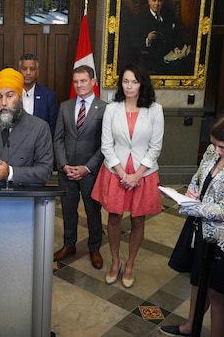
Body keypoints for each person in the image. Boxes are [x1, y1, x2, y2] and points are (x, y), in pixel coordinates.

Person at [160, 111, 224, 337]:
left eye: (223, 147)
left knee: (217, 293)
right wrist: (191, 191)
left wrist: (189, 205)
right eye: (214, 144)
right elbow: (199, 176)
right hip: (200, 228)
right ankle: (190, 327)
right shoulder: (212, 150)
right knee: (197, 281)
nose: (216, 151)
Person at [91, 63, 164, 288]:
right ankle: (115, 262)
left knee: (138, 219)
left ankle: (130, 264)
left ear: (142, 83)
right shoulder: (112, 109)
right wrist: (122, 173)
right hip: (116, 172)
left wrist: (137, 175)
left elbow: (155, 146)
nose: (129, 86)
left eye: (134, 81)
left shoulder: (155, 109)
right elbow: (106, 145)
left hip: (144, 173)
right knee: (113, 217)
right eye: (125, 81)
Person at [53, 65, 107, 269]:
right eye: (76, 81)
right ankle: (69, 245)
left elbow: (106, 144)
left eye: (83, 81)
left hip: (91, 172)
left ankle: (94, 248)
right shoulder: (65, 106)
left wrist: (87, 167)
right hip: (67, 172)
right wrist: (64, 165)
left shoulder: (105, 108)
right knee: (68, 210)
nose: (79, 85)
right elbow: (57, 139)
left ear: (93, 82)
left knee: (93, 211)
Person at [132, 0, 185, 74]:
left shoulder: (168, 16)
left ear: (162, 2)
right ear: (149, 1)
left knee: (180, 65)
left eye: (159, 1)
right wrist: (147, 39)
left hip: (170, 55)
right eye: (154, 0)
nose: (156, 3)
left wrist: (176, 47)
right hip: (152, 57)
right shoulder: (140, 18)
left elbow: (176, 34)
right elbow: (134, 40)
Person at [18, 53, 58, 136]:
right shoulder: (11, 94)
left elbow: (52, 126)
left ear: (37, 72)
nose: (28, 73)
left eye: (32, 69)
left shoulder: (48, 95)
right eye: (24, 69)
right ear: (19, 71)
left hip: (40, 145)